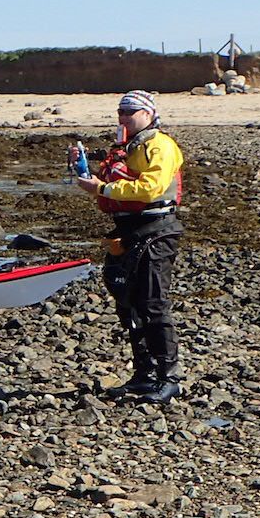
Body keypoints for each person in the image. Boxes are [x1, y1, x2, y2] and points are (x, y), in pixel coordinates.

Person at [73, 90, 187, 401]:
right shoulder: (125, 148)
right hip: (128, 230)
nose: (124, 117)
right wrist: (90, 181)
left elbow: (151, 188)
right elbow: (114, 188)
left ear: (148, 115)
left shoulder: (160, 145)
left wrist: (104, 188)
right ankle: (144, 374)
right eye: (120, 112)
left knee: (153, 302)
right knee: (128, 302)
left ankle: (168, 377)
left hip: (157, 230)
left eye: (130, 112)